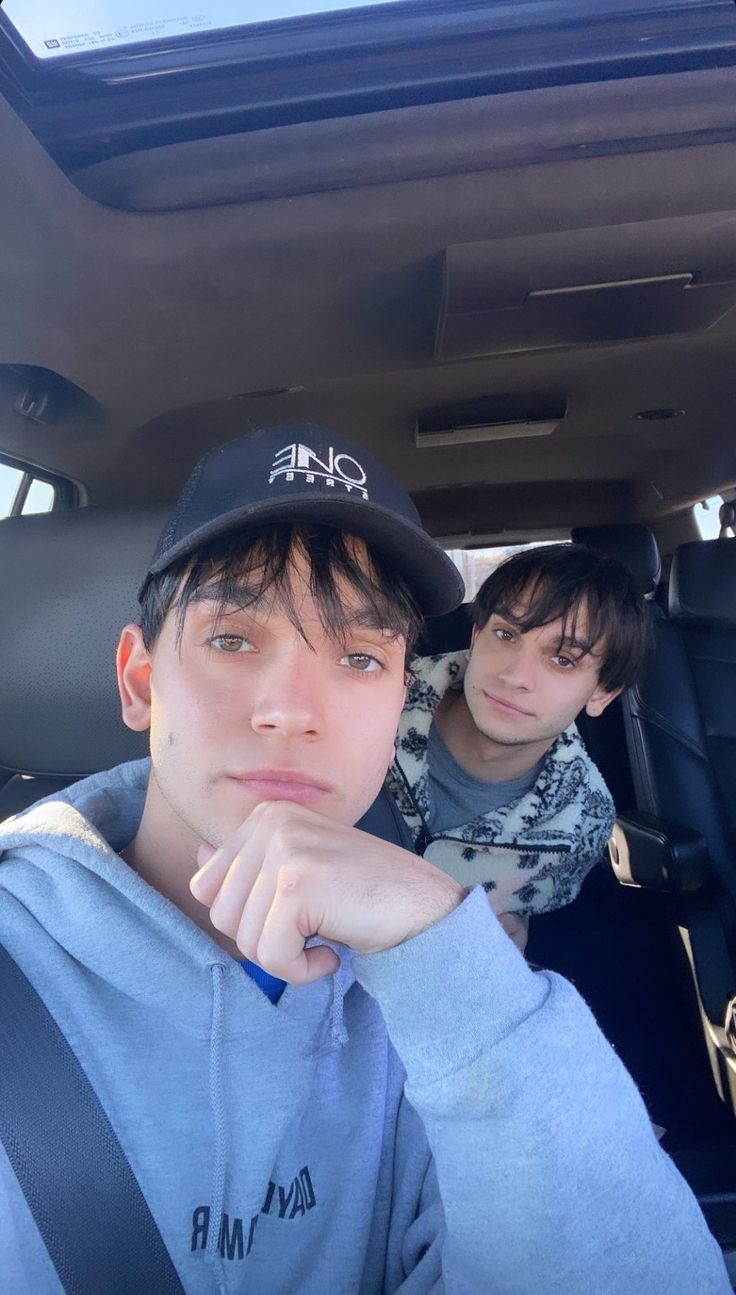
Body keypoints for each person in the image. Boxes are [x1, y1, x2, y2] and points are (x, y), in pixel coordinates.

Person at [0, 424, 729, 1295]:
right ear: (140, 681)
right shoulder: (22, 943)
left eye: (358, 656)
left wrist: (455, 968)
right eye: (232, 639)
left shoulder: (440, 1034)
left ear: (395, 699)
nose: (290, 711)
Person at [389, 544, 649, 952]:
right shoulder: (374, 699)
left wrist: (514, 931)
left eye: (563, 659)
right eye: (506, 634)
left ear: (603, 693)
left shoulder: (583, 822)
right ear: (476, 637)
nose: (515, 675)